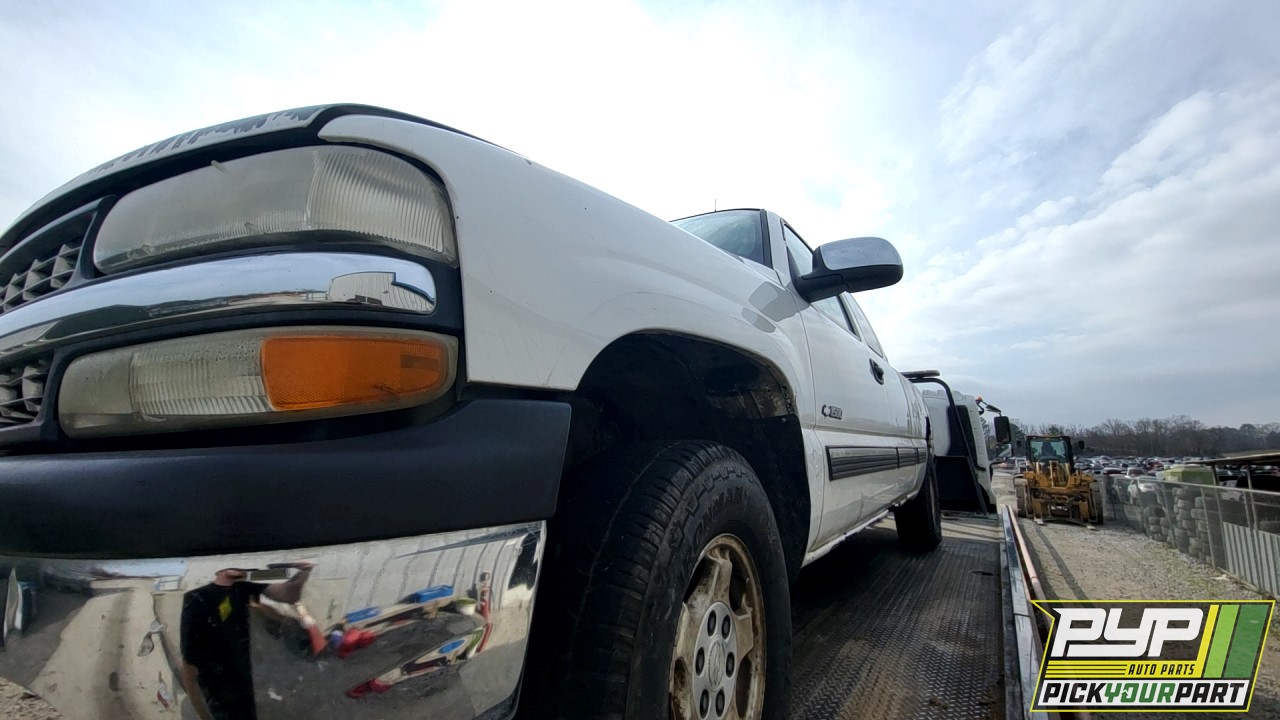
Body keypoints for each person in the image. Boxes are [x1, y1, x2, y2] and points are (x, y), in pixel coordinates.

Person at [180, 564, 313, 720]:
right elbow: (189, 667)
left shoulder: (244, 587)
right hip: (223, 696)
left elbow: (288, 595)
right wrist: (204, 715)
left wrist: (305, 570)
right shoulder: (197, 598)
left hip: (253, 689)